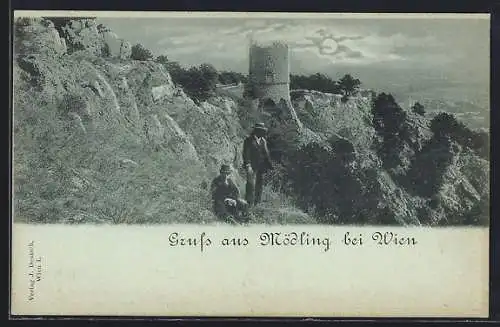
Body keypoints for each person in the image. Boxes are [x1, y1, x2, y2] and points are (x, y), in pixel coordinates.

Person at [242, 122, 273, 206]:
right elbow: (246, 153)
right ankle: (248, 203)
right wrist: (248, 165)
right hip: (251, 166)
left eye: (264, 131)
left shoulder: (263, 141)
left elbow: (266, 154)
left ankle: (257, 203)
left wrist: (270, 166)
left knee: (259, 185)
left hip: (261, 166)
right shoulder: (248, 140)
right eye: (262, 131)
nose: (263, 133)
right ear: (257, 131)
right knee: (250, 185)